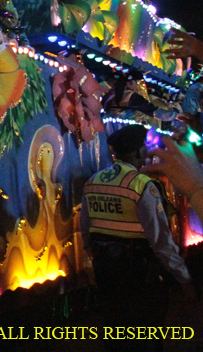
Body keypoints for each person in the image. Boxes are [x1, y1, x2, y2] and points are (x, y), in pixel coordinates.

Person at [80, 125, 193, 350]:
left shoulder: (93, 181)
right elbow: (161, 241)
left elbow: (85, 230)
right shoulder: (141, 185)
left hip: (106, 272)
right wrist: (183, 277)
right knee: (146, 337)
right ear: (138, 152)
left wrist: (96, 260)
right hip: (140, 277)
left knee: (115, 334)